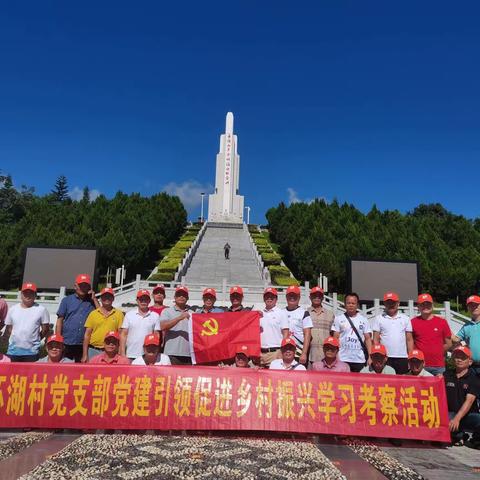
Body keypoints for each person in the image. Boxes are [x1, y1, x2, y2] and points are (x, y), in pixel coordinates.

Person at [56, 273, 98, 362]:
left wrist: (94, 299)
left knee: (81, 370)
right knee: (65, 368)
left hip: (84, 344)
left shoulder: (92, 302)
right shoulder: (66, 300)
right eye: (81, 285)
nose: (83, 288)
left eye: (86, 286)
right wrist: (58, 339)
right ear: (75, 286)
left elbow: (101, 313)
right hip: (67, 341)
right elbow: (60, 321)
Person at [444, 346, 480, 448]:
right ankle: (459, 436)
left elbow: (469, 401)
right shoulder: (446, 375)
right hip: (449, 413)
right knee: (447, 423)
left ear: (470, 362)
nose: (459, 359)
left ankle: (475, 440)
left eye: (463, 357)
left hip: (468, 415)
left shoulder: (474, 379)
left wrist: (457, 419)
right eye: (457, 356)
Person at [4, 282, 50, 362]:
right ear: (21, 294)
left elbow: (45, 329)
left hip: (32, 352)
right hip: (13, 350)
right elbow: (9, 329)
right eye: (25, 293)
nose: (28, 295)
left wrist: (36, 339)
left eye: (31, 293)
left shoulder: (41, 310)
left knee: (30, 374)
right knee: (12, 373)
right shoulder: (13, 309)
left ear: (35, 295)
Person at [372, 292, 413, 374]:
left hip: (402, 357)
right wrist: (376, 357)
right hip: (385, 357)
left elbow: (409, 340)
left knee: (402, 383)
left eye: (393, 302)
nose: (391, 305)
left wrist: (410, 357)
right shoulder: (379, 319)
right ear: (384, 304)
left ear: (398, 303)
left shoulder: (405, 319)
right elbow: (375, 339)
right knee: (386, 383)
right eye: (388, 303)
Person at [411, 293, 451, 375]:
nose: (426, 306)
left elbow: (449, 343)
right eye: (422, 304)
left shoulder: (442, 322)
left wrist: (438, 351)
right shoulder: (413, 322)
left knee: (439, 388)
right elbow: (410, 342)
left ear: (432, 305)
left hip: (438, 366)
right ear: (418, 307)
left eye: (428, 304)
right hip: (419, 365)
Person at [332, 292, 372, 372]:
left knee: (358, 383)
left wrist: (370, 357)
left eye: (353, 303)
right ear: (345, 304)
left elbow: (368, 339)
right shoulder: (338, 319)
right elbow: (335, 338)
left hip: (359, 359)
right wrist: (335, 356)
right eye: (348, 303)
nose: (351, 305)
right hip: (343, 358)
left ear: (357, 305)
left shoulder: (363, 320)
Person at [81, 287, 124, 362]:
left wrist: (120, 351)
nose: (107, 298)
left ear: (113, 298)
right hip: (93, 350)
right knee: (92, 373)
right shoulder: (93, 314)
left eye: (109, 296)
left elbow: (121, 334)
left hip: (111, 351)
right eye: (104, 296)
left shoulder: (119, 314)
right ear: (100, 298)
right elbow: (87, 335)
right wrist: (85, 354)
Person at [120, 289, 160, 361]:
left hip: (148, 355)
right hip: (130, 354)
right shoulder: (129, 315)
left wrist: (155, 353)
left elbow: (156, 335)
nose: (143, 301)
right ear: (137, 300)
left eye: (146, 299)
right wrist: (122, 353)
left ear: (149, 301)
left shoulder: (155, 316)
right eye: (141, 299)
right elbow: (123, 334)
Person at [160, 285, 192, 365]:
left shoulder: (192, 313)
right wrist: (179, 318)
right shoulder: (167, 311)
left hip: (189, 354)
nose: (181, 297)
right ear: (174, 297)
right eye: (179, 295)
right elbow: (162, 326)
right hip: (171, 353)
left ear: (187, 298)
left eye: (184, 295)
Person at [282, 285, 313, 366]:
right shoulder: (281, 312)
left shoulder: (304, 313)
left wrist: (304, 353)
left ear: (299, 297)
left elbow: (308, 335)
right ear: (286, 297)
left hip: (298, 352)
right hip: (284, 352)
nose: (292, 297)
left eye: (294, 295)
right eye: (290, 295)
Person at [258, 287, 287, 368]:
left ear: (276, 299)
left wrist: (282, 351)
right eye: (267, 296)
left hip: (275, 353)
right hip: (260, 353)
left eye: (272, 296)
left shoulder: (281, 313)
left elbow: (286, 333)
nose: (269, 298)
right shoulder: (259, 314)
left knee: (274, 379)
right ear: (264, 298)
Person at [307, 286, 335, 367]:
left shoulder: (330, 314)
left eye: (319, 295)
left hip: (327, 357)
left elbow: (333, 335)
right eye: (314, 295)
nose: (317, 297)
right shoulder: (305, 313)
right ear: (310, 297)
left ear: (323, 297)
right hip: (310, 355)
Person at [453, 295, 480, 375]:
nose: (474, 307)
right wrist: (444, 326)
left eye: (476, 305)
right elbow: (456, 339)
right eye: (471, 305)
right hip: (471, 366)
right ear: (468, 308)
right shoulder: (466, 326)